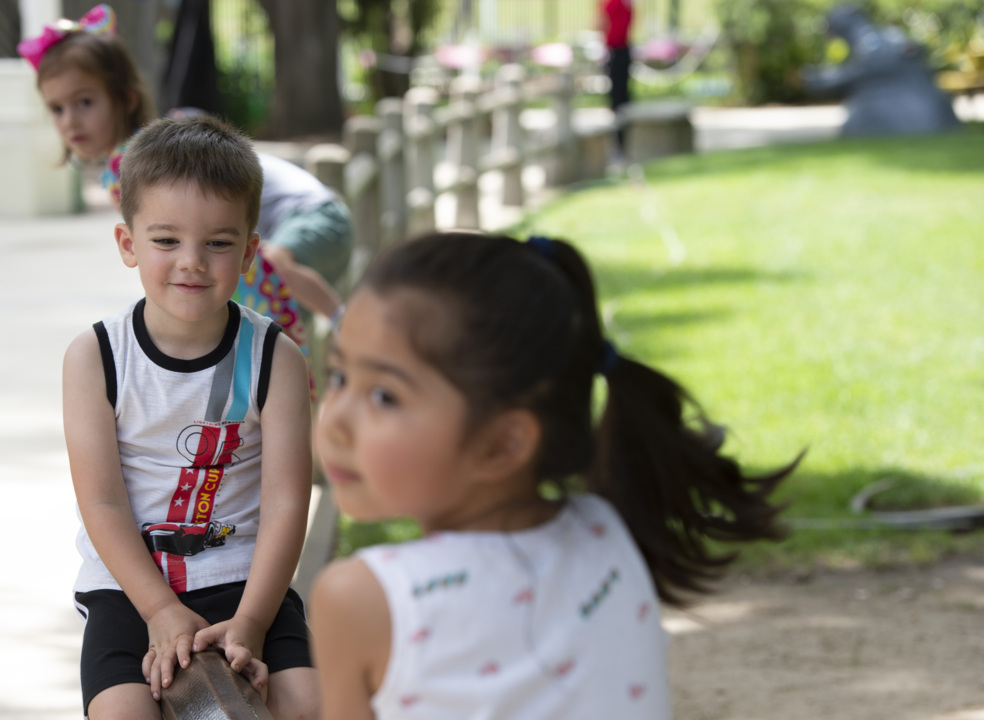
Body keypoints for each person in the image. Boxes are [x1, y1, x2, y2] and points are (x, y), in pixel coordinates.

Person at [310, 232, 799, 719]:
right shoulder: (605, 528)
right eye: (339, 377)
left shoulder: (363, 598)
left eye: (384, 396)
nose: (334, 421)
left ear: (503, 444)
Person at [60, 116, 320, 719]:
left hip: (247, 580)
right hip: (129, 588)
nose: (192, 263)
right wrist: (158, 610)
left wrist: (252, 622)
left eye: (219, 243)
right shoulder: (95, 358)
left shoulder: (275, 357)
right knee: (123, 714)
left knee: (305, 704)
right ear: (128, 244)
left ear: (250, 252)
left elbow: (287, 500)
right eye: (167, 240)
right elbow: (101, 503)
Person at [21, 4, 350, 332]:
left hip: (257, 272)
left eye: (85, 102)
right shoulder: (146, 154)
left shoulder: (138, 164)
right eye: (57, 108)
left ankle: (343, 321)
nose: (70, 120)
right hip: (252, 278)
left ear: (126, 99)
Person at [601, 0, 634, 156]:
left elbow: (601, 23)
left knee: (619, 98)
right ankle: (620, 140)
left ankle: (621, 140)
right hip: (617, 51)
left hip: (618, 51)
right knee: (619, 96)